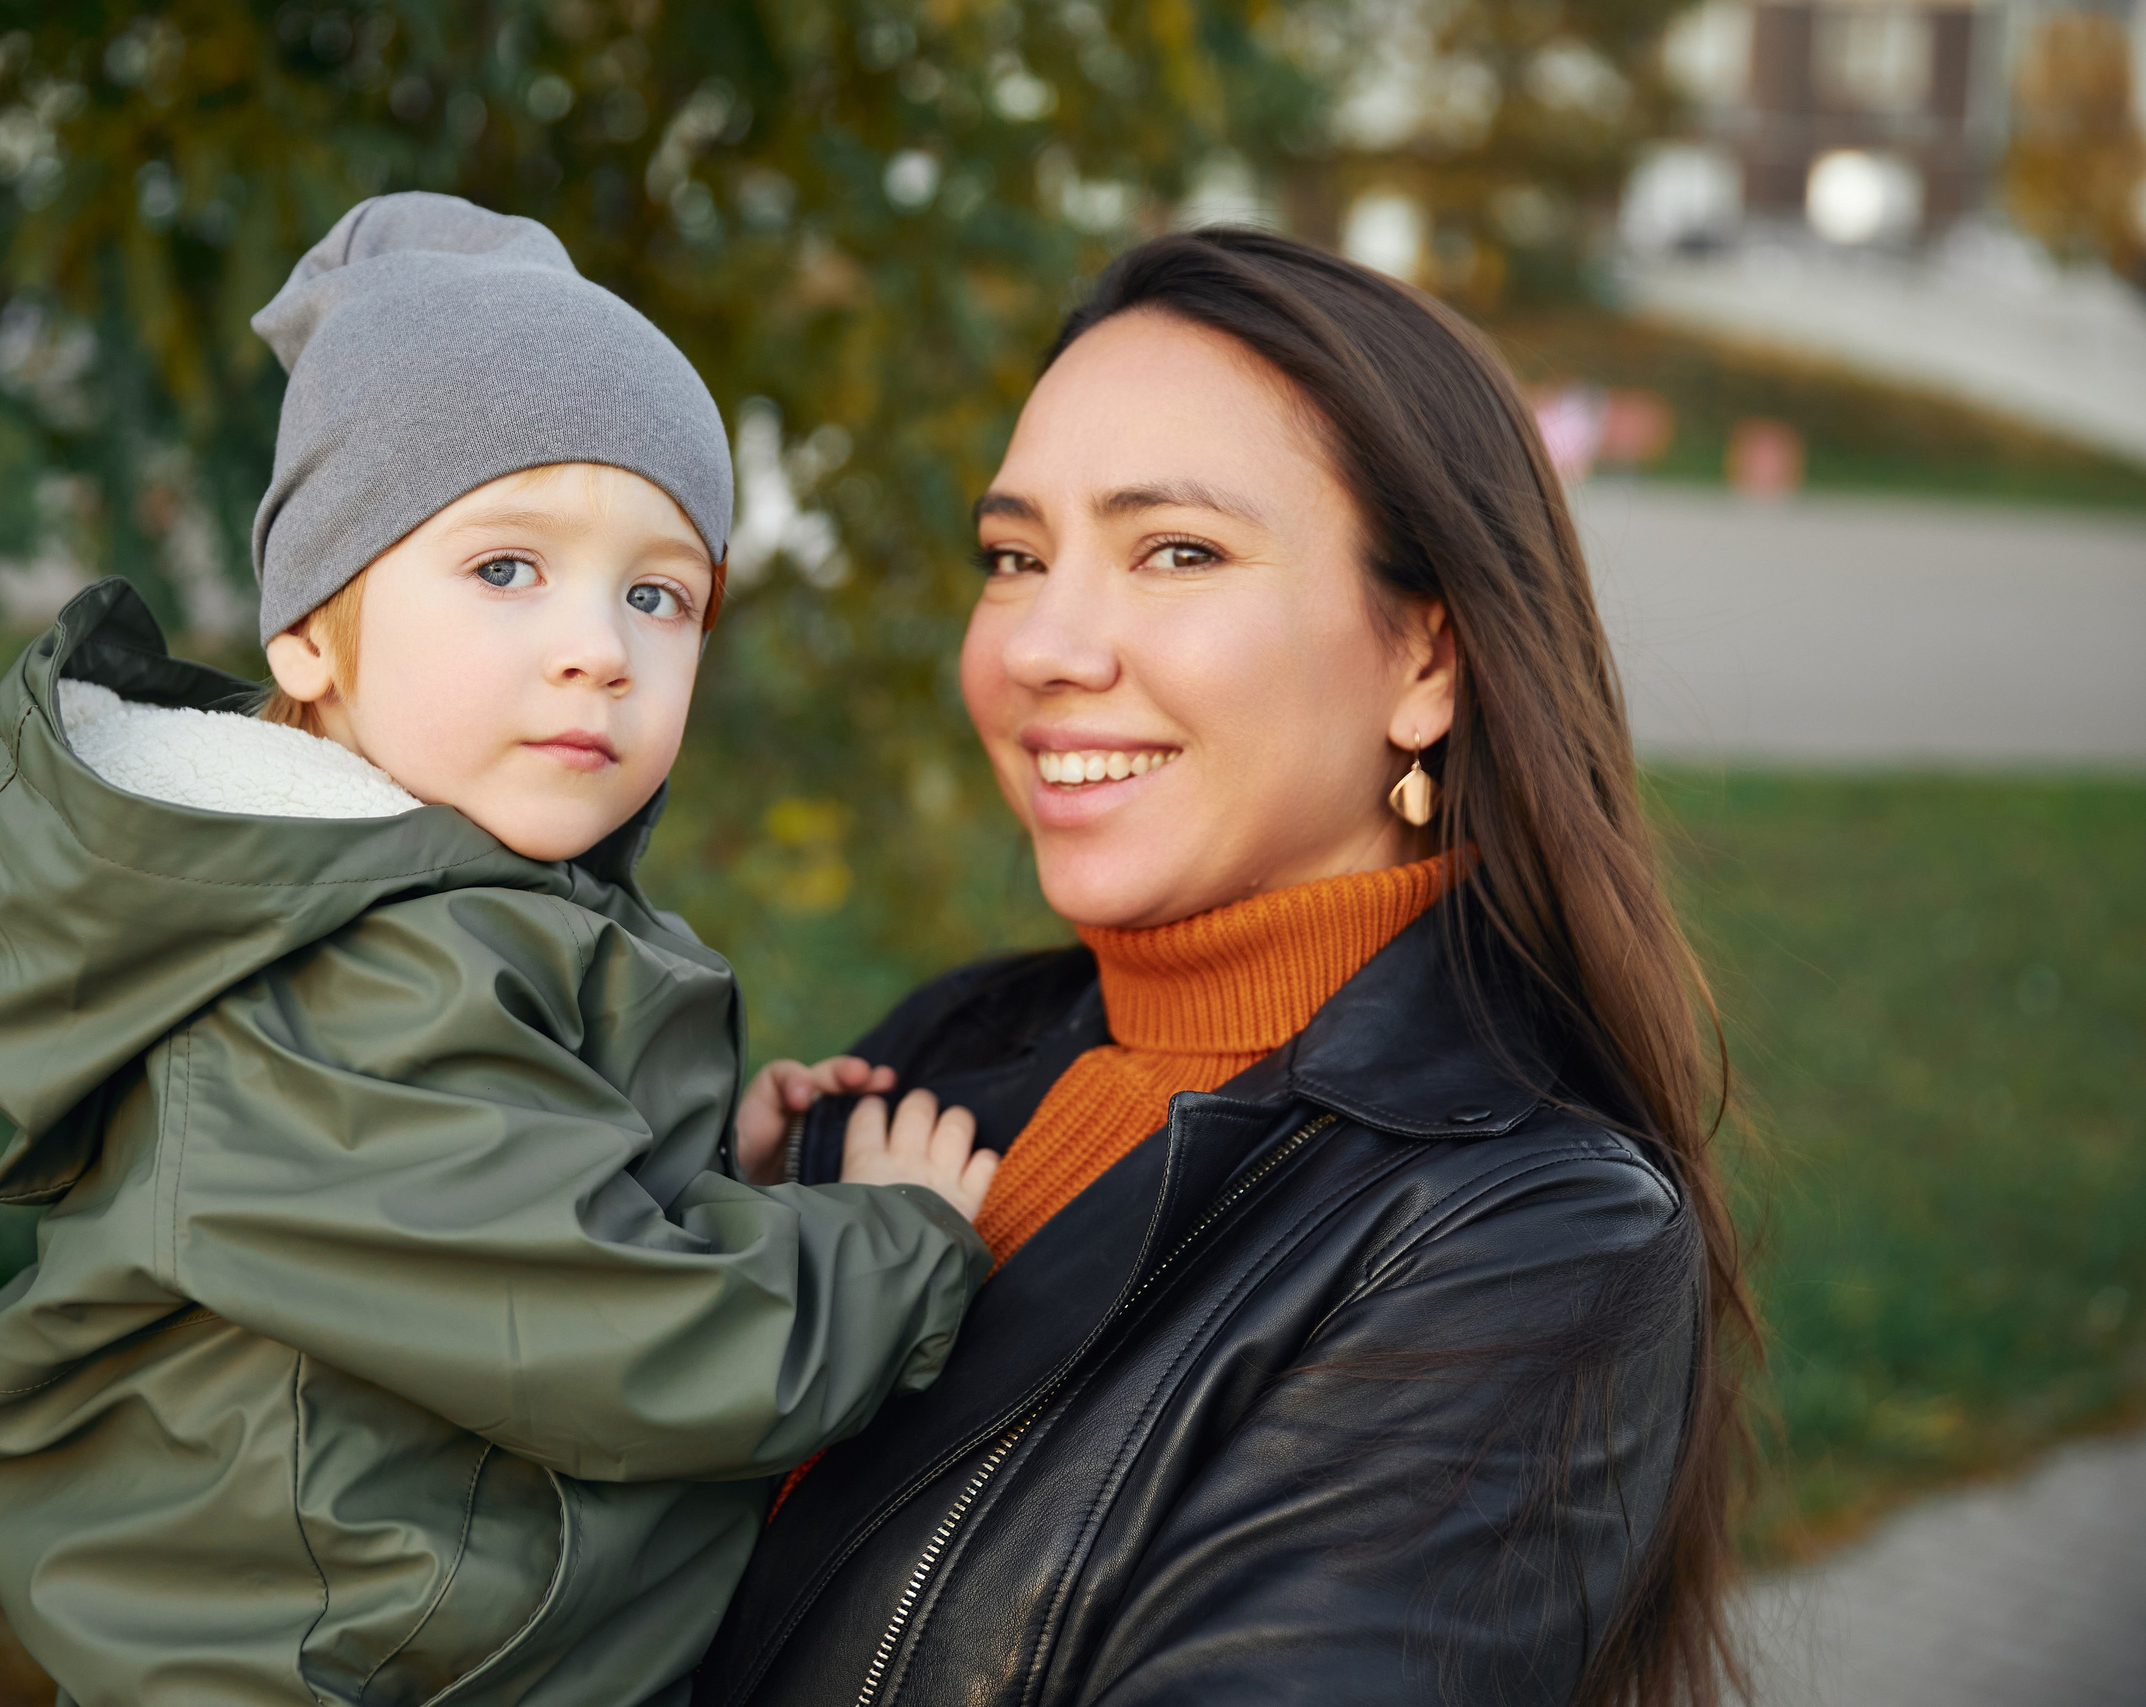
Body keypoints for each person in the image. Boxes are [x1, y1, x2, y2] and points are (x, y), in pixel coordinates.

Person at [0, 194, 995, 1707]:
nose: (598, 647)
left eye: (658, 594)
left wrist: (691, 1171)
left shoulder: (437, 917)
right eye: (505, 569)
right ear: (309, 632)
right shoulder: (336, 979)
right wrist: (893, 1245)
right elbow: (609, 1335)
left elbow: (504, 1223)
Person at [703, 229, 1754, 1707]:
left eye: (1177, 551)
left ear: (1427, 661)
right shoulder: (941, 1055)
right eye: (1014, 557)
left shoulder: (1526, 1246)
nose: (1043, 644)